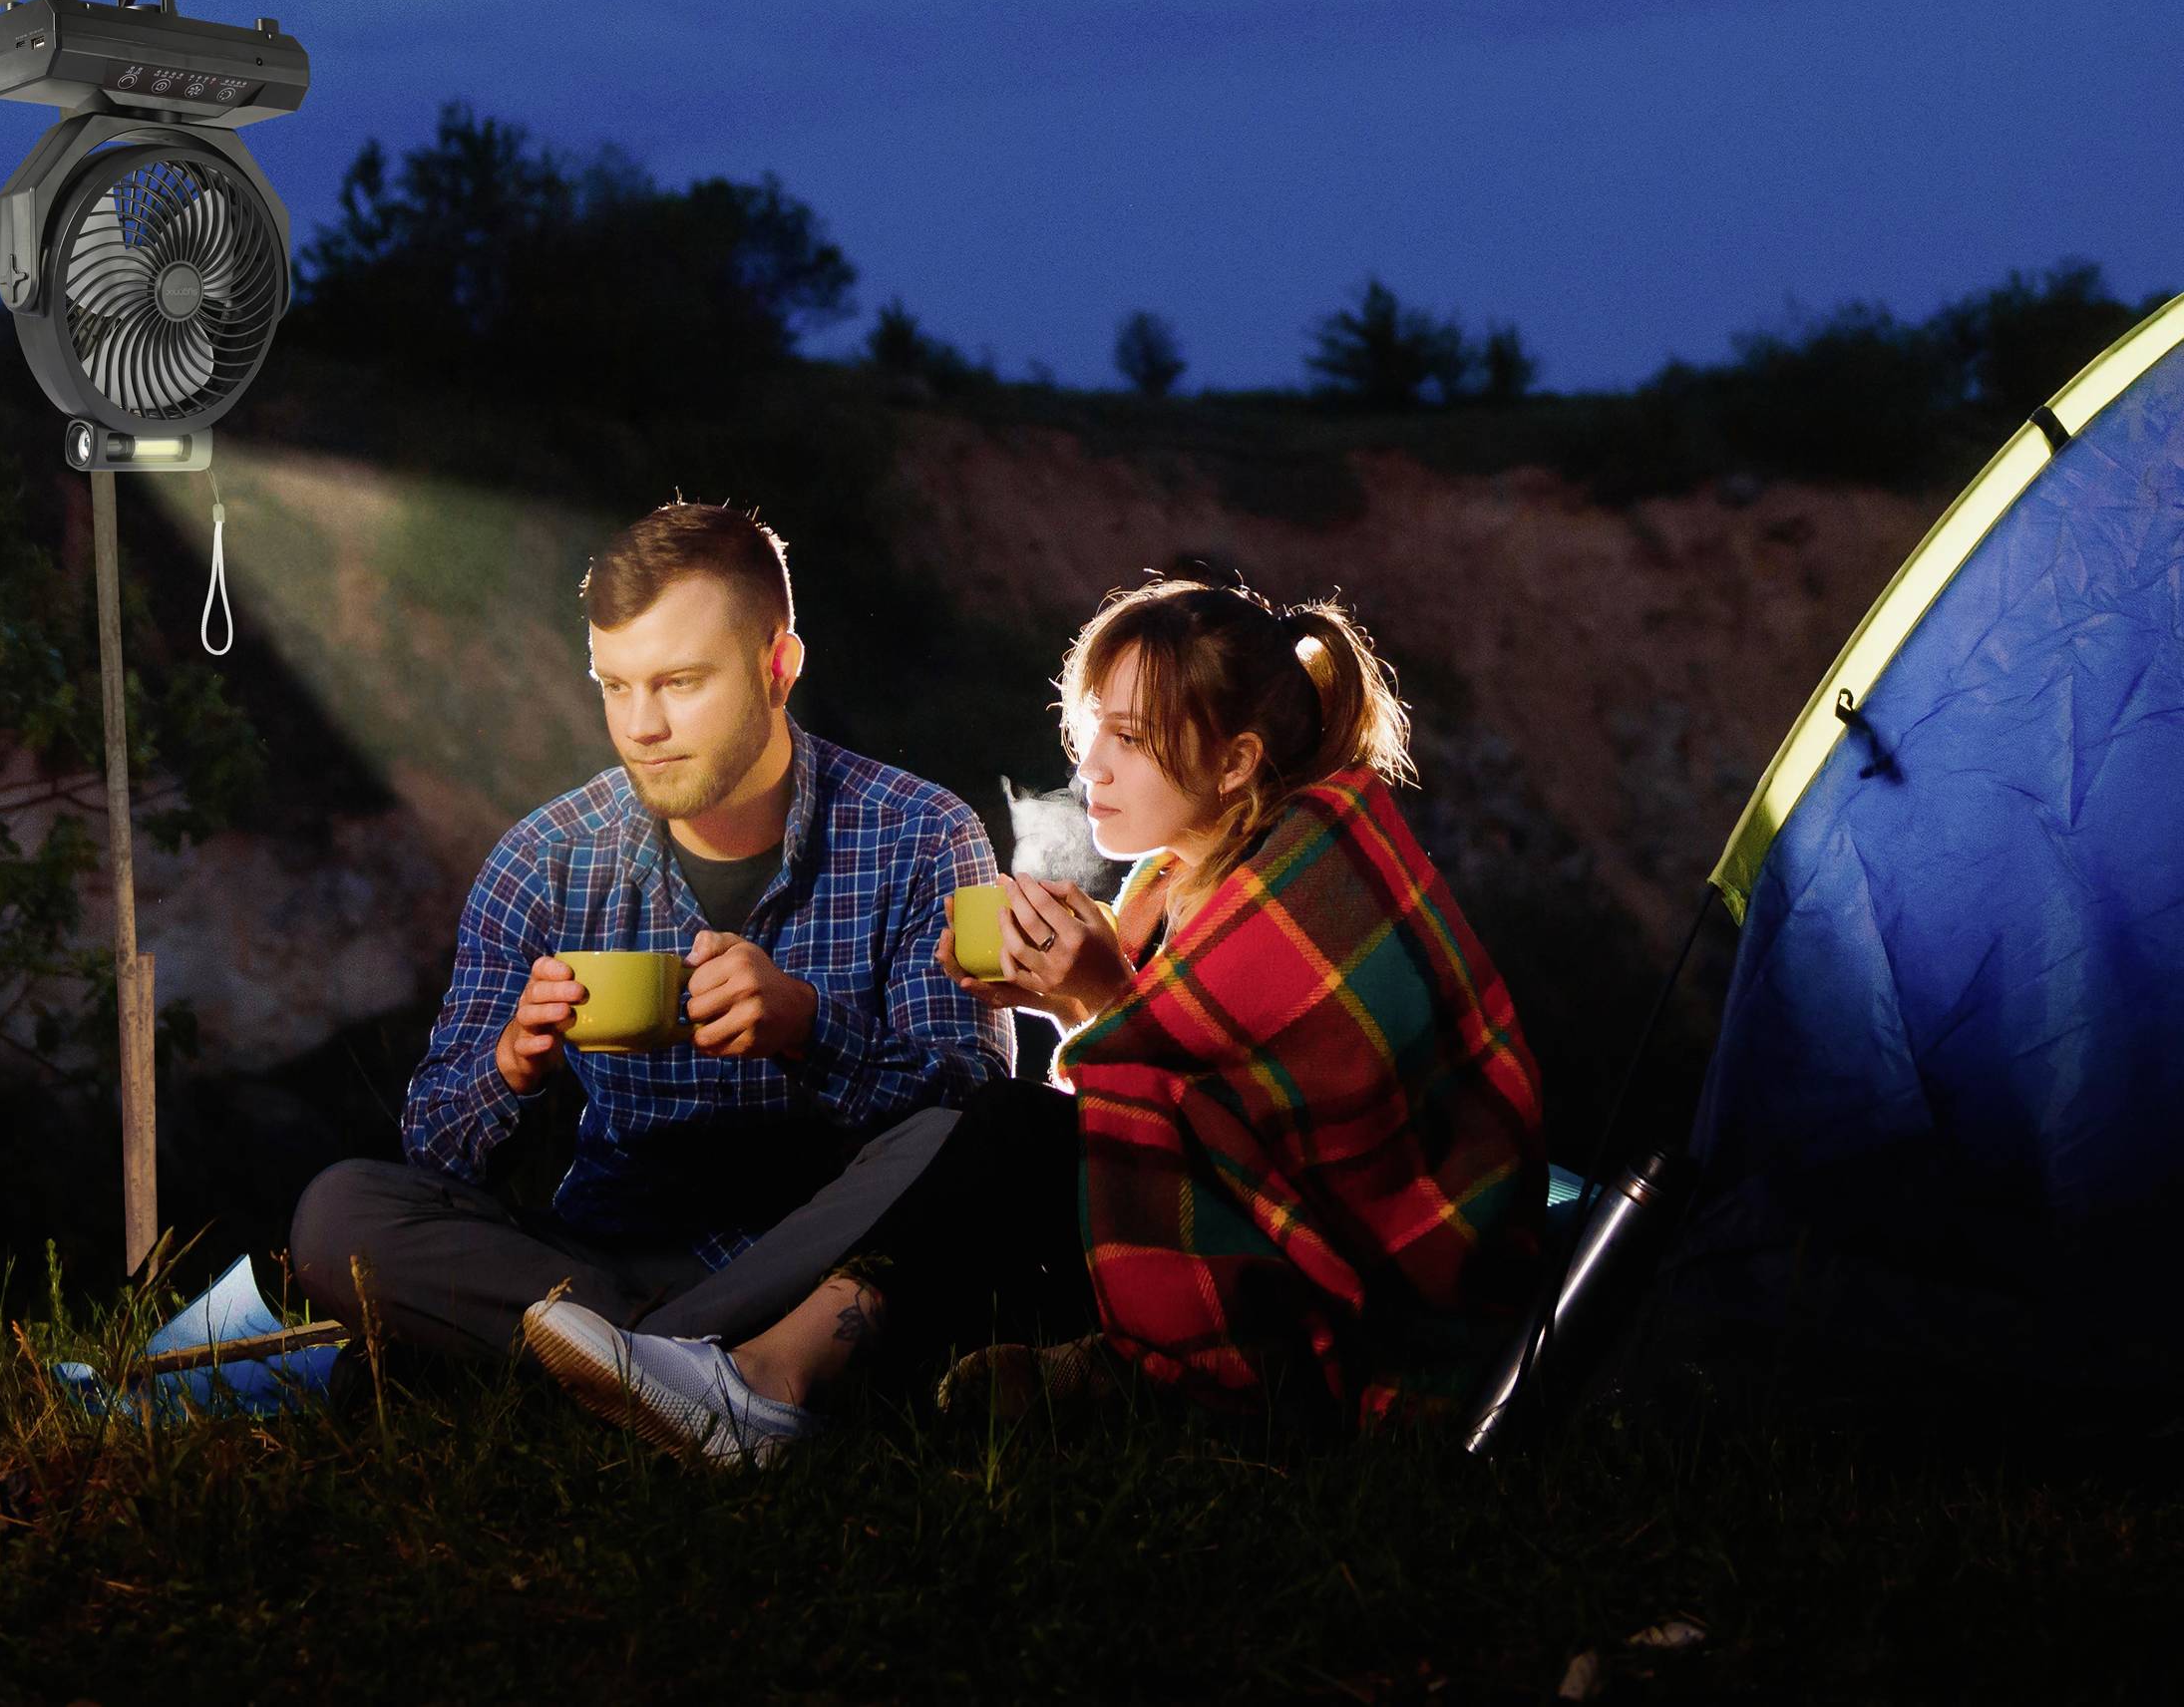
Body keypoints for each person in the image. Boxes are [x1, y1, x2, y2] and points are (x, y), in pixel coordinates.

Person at [524, 575, 1547, 1462]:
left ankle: (760, 1385)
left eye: (1132, 739)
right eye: (1088, 726)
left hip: (1365, 1299)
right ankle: (755, 1372)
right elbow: (1171, 1119)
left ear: (1234, 762)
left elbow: (1300, 1148)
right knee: (1007, 1149)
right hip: (1255, 1246)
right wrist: (1075, 1007)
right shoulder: (1172, 885)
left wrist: (1097, 1004)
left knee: (1012, 1132)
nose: (1092, 765)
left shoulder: (1317, 871)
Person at [290, 504, 1016, 1369]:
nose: (641, 727)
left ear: (779, 667)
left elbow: (975, 1110)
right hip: (604, 1256)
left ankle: (609, 1361)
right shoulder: (545, 857)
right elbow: (434, 1143)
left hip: (829, 1262)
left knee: (986, 1134)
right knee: (340, 1213)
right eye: (615, 686)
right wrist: (512, 1064)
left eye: (679, 682)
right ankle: (688, 1364)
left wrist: (808, 1028)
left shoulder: (923, 833)